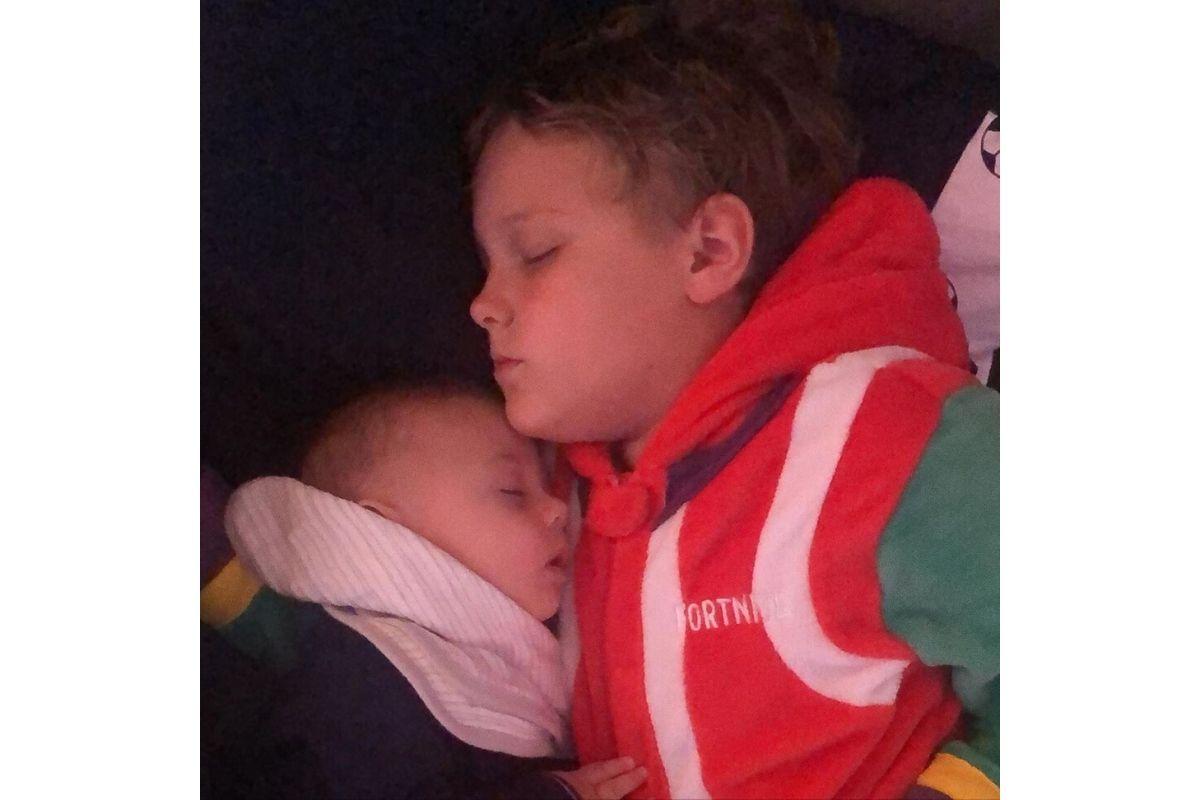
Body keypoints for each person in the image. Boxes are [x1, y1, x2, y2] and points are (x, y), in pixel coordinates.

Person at [466, 1, 999, 798]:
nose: (482, 304)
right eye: (484, 265)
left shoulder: (890, 440)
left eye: (536, 253)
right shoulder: (548, 501)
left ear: (709, 250)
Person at [200, 380, 647, 799]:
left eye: (544, 488)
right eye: (512, 492)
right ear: (384, 533)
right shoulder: (363, 681)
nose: (556, 510)